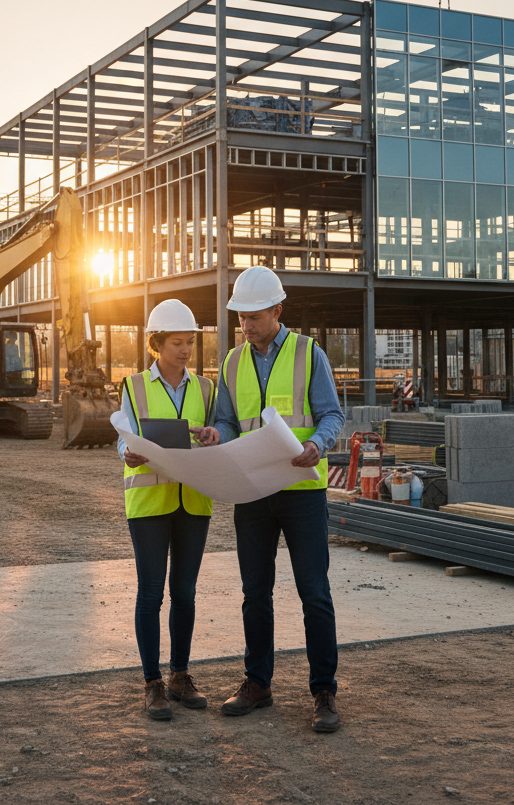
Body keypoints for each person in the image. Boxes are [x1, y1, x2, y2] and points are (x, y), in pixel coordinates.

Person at [194, 265, 345, 733]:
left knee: (314, 594)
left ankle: (323, 691)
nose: (245, 325)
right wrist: (214, 435)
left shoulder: (308, 352)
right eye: (240, 317)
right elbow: (229, 421)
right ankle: (257, 682)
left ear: (278, 310)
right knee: (254, 593)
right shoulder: (233, 361)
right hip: (253, 492)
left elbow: (332, 414)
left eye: (253, 316)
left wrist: (318, 445)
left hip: (301, 492)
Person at [117, 299, 216, 721]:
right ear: (157, 343)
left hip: (193, 501)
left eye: (190, 342)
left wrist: (213, 437)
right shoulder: (134, 385)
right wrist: (129, 453)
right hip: (149, 504)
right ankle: (152, 682)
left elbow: (217, 434)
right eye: (177, 342)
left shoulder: (207, 388)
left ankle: (180, 675)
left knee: (186, 593)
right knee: (151, 593)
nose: (186, 350)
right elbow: (123, 435)